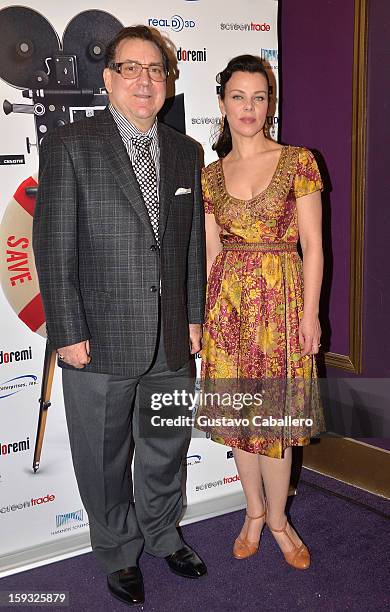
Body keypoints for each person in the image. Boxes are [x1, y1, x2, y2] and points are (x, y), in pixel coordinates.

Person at [33, 25, 206, 607]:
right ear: (107, 80)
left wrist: (194, 315)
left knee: (164, 445)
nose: (144, 79)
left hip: (172, 338)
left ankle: (162, 535)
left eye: (155, 69)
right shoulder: (70, 145)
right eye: (130, 68)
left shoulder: (187, 152)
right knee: (104, 459)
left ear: (167, 81)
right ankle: (117, 550)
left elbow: (188, 248)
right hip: (98, 339)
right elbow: (54, 246)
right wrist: (68, 331)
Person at [197, 55, 324, 570]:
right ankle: (253, 513)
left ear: (269, 104)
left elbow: (314, 246)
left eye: (258, 96)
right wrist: (207, 324)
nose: (248, 107)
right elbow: (211, 254)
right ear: (222, 103)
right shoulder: (209, 175)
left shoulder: (299, 161)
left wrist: (310, 316)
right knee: (238, 419)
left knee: (275, 421)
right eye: (237, 96)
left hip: (283, 306)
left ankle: (278, 521)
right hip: (228, 310)